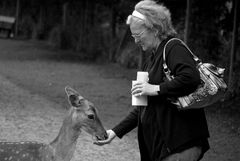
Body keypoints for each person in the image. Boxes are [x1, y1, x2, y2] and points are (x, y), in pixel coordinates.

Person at [94, 0, 210, 161]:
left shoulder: (173, 48)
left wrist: (154, 89)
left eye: (138, 35)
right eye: (133, 36)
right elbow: (143, 106)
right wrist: (114, 132)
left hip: (180, 146)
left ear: (154, 29)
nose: (135, 41)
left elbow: (190, 78)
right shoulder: (153, 58)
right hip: (162, 149)